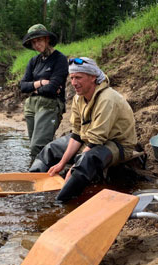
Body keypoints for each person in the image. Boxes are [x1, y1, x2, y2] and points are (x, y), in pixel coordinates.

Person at [29, 57, 137, 202]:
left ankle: (61, 201)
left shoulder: (107, 99)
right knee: (51, 148)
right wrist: (61, 163)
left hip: (116, 144)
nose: (73, 83)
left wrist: (73, 169)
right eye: (72, 78)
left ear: (93, 77)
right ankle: (31, 184)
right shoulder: (78, 98)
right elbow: (77, 134)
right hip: (89, 138)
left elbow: (96, 141)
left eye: (78, 78)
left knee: (86, 160)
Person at [20, 24, 68, 161]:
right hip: (31, 106)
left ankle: (36, 177)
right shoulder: (33, 61)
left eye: (39, 40)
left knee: (37, 146)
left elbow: (52, 88)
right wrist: (41, 83)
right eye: (33, 42)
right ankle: (43, 172)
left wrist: (33, 88)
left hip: (50, 105)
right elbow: (23, 86)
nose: (36, 45)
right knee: (35, 145)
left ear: (47, 39)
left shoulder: (60, 59)